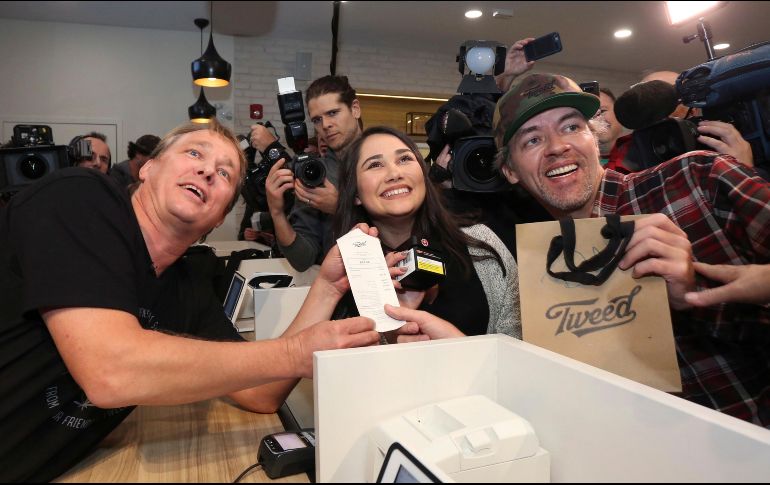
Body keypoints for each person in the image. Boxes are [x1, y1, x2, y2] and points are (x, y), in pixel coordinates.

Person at [0, 119, 381, 481]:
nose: (208, 170)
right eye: (194, 153)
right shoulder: (81, 196)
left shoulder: (187, 286)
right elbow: (111, 372)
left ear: (218, 219)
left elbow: (261, 392)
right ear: (148, 168)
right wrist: (293, 352)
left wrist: (327, 288)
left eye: (225, 173)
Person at [400, 73, 770, 428]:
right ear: (510, 171)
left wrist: (705, 293)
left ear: (595, 138)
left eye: (571, 127)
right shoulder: (533, 271)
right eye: (532, 139)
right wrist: (454, 350)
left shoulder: (694, 180)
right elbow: (539, 393)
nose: (557, 147)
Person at [334, 126, 520, 337]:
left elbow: (517, 344)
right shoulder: (342, 274)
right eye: (375, 165)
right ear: (355, 194)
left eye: (404, 159)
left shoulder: (481, 243)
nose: (394, 174)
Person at [249, 75, 364, 271]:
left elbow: (404, 226)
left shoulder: (389, 157)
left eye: (333, 113)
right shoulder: (315, 174)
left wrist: (340, 208)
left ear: (355, 109)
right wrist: (277, 212)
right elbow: (302, 259)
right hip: (338, 285)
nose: (325, 125)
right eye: (317, 120)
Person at [595, 88, 624, 165]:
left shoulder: (645, 153)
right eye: (590, 114)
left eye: (602, 111)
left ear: (619, 112)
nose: (597, 119)